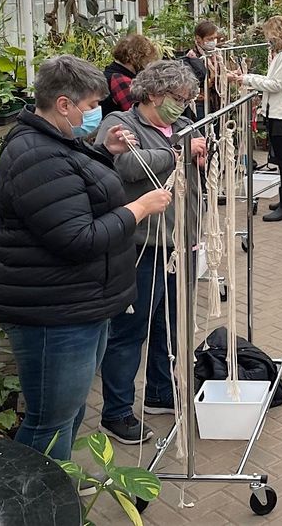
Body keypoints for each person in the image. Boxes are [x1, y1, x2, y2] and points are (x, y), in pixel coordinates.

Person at [0, 55, 172, 460]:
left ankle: (58, 488)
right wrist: (138, 209)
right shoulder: (36, 156)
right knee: (48, 420)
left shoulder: (56, 142)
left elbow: (75, 190)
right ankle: (38, 503)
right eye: (89, 106)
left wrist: (103, 148)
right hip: (53, 313)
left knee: (67, 412)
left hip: (76, 301)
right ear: (63, 104)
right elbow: (77, 237)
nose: (96, 113)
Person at [95, 60, 206, 445]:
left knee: (169, 324)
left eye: (188, 98)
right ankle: (117, 412)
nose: (186, 104)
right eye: (179, 98)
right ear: (155, 95)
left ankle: (160, 392)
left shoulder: (179, 125)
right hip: (142, 247)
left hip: (180, 242)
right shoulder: (119, 123)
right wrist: (180, 151)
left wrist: (197, 154)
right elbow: (127, 166)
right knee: (130, 331)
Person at [230, 16, 282, 222]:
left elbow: (275, 84)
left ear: (276, 34)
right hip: (277, 110)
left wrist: (246, 79)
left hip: (279, 113)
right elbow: (275, 82)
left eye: (268, 35)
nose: (267, 39)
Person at [101, 34, 160, 117]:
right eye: (146, 58)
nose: (147, 63)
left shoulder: (110, 73)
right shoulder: (120, 80)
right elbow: (140, 114)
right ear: (137, 56)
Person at [182, 20, 221, 120]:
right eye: (210, 39)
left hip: (215, 101)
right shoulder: (192, 57)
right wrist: (216, 79)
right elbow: (194, 84)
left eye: (214, 38)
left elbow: (220, 71)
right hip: (200, 103)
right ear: (198, 38)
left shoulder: (215, 54)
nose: (213, 41)